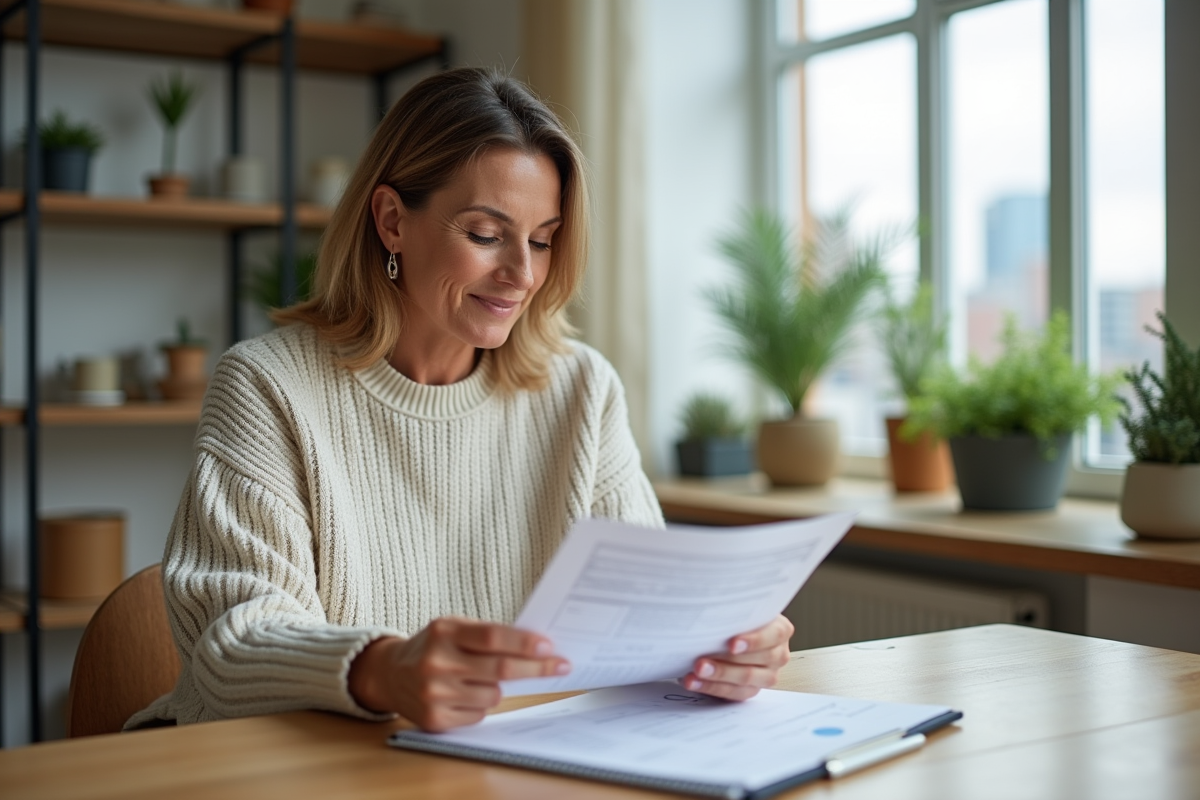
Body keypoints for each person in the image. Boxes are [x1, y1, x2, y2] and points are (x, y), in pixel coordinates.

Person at [129, 67, 793, 734]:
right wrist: (385, 669)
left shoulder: (582, 391)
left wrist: (720, 649)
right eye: (485, 234)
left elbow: (645, 618)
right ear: (392, 221)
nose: (523, 274)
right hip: (300, 765)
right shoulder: (268, 386)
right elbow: (231, 646)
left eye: (542, 239)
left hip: (504, 765)